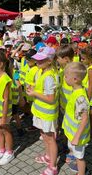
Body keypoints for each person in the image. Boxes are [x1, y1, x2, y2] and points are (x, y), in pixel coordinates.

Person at [26, 47, 59, 175]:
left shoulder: (50, 76)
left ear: (49, 61)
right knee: (45, 136)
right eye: (37, 60)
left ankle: (53, 167)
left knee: (50, 139)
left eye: (41, 60)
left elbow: (50, 99)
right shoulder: (42, 71)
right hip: (40, 111)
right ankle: (48, 156)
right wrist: (34, 88)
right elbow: (42, 89)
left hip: (47, 113)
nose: (37, 62)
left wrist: (34, 93)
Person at [63, 62, 90, 175]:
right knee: (76, 154)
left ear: (74, 79)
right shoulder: (75, 91)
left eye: (66, 76)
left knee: (80, 157)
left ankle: (82, 173)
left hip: (77, 135)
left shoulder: (80, 97)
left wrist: (77, 137)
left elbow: (84, 119)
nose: (64, 78)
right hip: (72, 133)